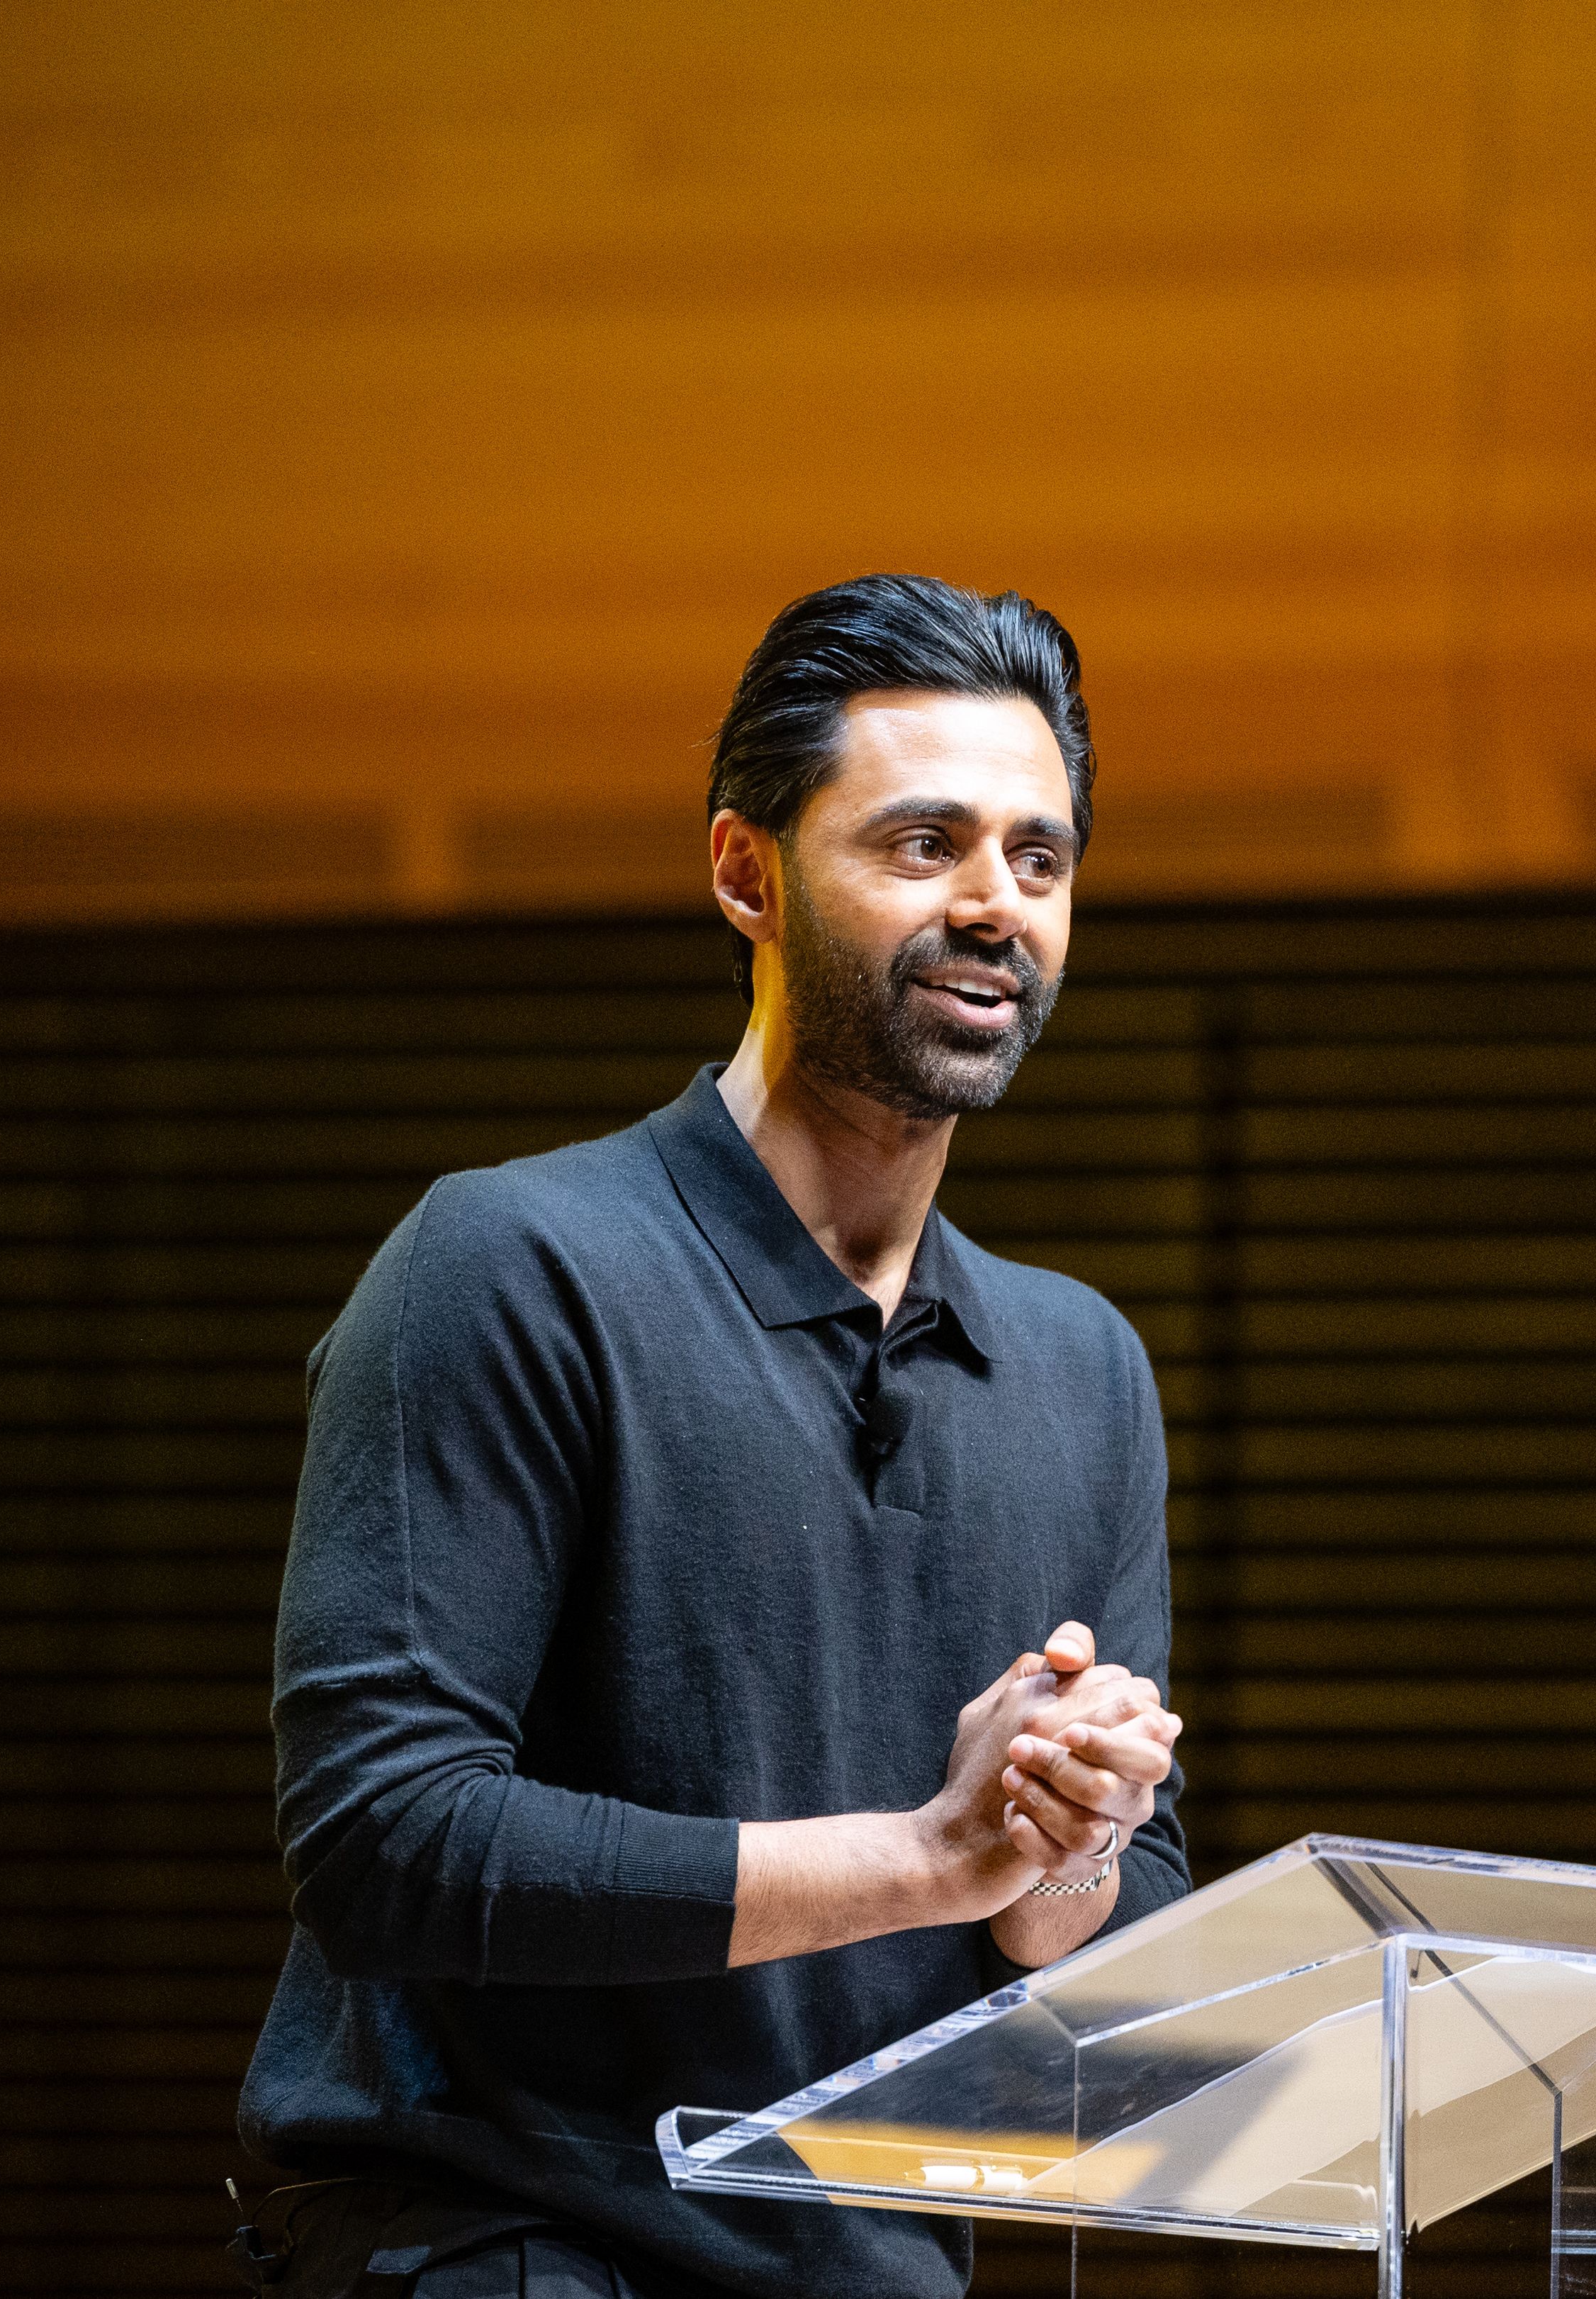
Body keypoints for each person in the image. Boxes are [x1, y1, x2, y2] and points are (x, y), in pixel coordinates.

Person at [233, 574, 1188, 2299]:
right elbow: (387, 1841)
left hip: (882, 2266)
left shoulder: (1082, 1364)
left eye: (1040, 860)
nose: (996, 904)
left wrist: (1071, 1832)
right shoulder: (509, 1264)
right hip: (510, 2250)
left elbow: (1096, 1936)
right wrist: (929, 1851)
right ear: (746, 871)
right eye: (924, 844)